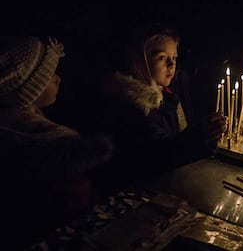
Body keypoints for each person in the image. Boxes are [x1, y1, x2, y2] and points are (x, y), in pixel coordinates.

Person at [0, 36, 114, 249]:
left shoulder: (11, 124)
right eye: (51, 75)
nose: (58, 79)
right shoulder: (55, 143)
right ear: (31, 88)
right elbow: (75, 205)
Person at [88, 23, 226, 191]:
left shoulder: (167, 94)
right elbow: (156, 155)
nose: (171, 65)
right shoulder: (131, 102)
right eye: (162, 57)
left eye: (174, 57)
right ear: (142, 61)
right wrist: (200, 136)